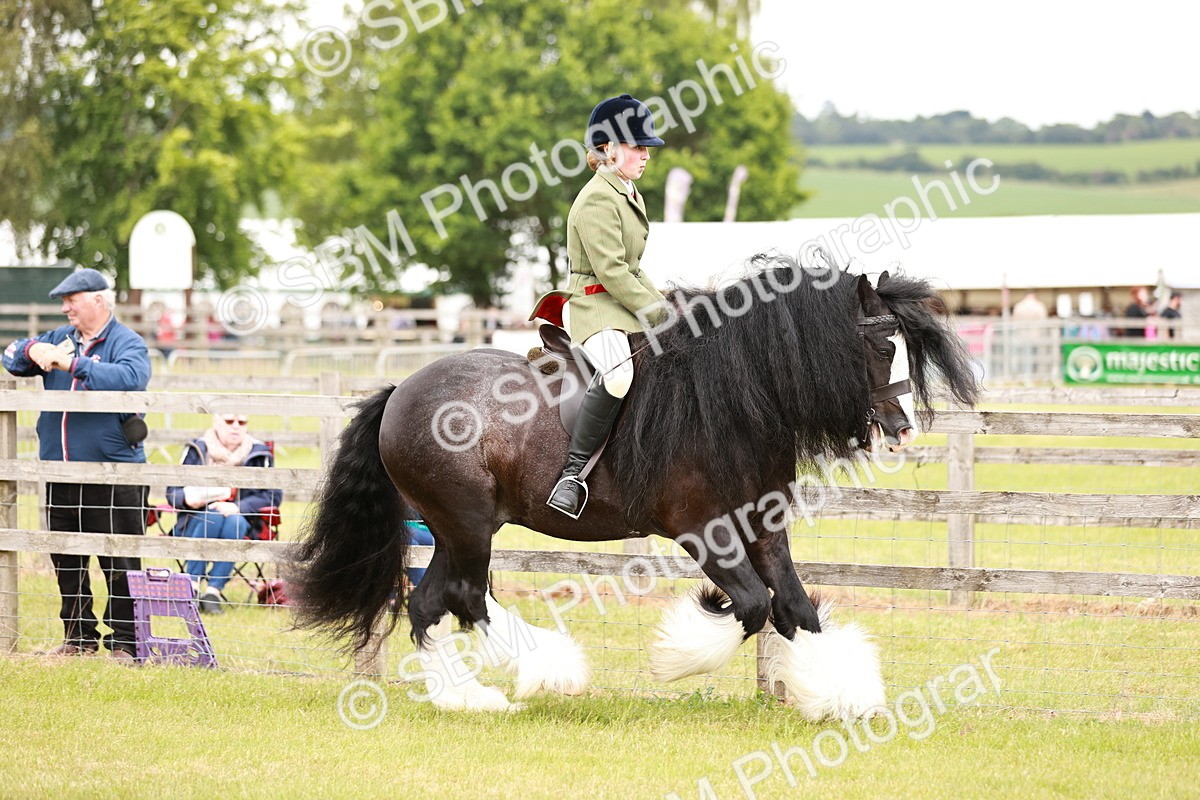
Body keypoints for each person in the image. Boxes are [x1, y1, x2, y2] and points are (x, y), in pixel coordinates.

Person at [2, 268, 151, 661]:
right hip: (59, 471)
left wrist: (71, 366)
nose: (66, 307)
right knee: (66, 559)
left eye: (72, 300)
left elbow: (130, 377)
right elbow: (11, 357)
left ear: (98, 300)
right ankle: (79, 638)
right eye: (63, 302)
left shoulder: (126, 342)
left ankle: (125, 642)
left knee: (118, 559)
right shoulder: (58, 339)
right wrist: (33, 351)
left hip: (113, 474)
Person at [533, 94, 668, 518]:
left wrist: (671, 308)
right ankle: (572, 475)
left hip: (621, 304)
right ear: (609, 149)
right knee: (619, 375)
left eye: (646, 147)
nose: (645, 155)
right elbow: (611, 273)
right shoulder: (596, 199)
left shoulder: (627, 192)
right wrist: (657, 313)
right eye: (636, 146)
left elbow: (634, 268)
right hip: (595, 308)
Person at [166, 414, 282, 614]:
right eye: (229, 421)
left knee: (233, 521)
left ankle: (210, 591)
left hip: (243, 521)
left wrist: (239, 507)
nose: (235, 427)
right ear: (216, 423)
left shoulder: (259, 453)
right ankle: (195, 587)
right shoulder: (196, 448)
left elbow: (273, 496)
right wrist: (186, 499)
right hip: (195, 518)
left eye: (242, 422)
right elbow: (172, 492)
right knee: (212, 515)